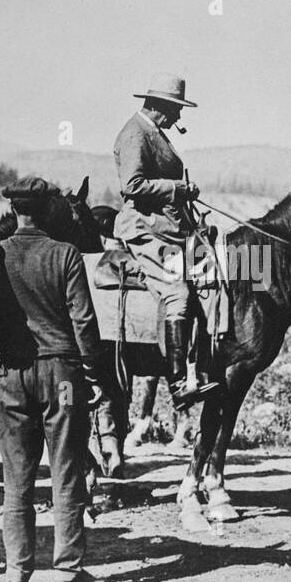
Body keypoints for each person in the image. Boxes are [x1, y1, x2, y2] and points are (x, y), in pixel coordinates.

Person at [0, 177, 106, 582]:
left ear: (15, 210)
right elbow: (84, 323)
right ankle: (66, 576)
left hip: (11, 374)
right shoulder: (66, 254)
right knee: (67, 473)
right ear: (47, 210)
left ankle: (16, 579)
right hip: (62, 376)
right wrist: (94, 373)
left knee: (16, 481)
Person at [112, 72, 221, 410]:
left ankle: (204, 366)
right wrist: (178, 189)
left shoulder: (153, 132)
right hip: (145, 230)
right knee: (178, 291)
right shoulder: (135, 133)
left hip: (170, 228)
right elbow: (132, 186)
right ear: (161, 106)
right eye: (176, 109)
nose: (179, 116)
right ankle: (177, 384)